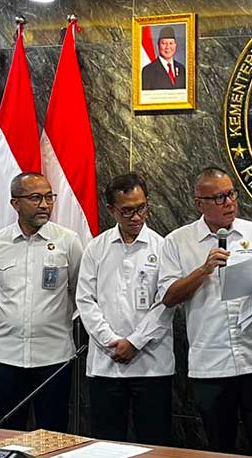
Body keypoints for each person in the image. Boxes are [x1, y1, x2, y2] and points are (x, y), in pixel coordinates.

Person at [158, 166, 252, 458]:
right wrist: (203, 270)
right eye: (218, 198)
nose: (228, 202)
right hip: (211, 361)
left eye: (231, 194)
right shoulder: (177, 242)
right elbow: (168, 297)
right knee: (219, 446)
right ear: (199, 203)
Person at [0, 172, 82, 432]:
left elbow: (78, 291)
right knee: (8, 433)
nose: (45, 204)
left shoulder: (67, 241)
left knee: (53, 433)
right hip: (6, 356)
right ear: (15, 203)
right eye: (36, 198)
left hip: (54, 357)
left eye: (49, 197)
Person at [77, 173, 174, 445]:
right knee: (107, 444)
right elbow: (85, 300)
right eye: (127, 211)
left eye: (142, 208)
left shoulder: (164, 247)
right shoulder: (96, 248)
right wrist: (111, 341)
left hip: (152, 365)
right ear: (111, 210)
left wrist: (135, 341)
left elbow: (166, 304)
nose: (136, 217)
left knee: (155, 443)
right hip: (107, 365)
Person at [141, 26, 186, 90]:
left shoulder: (182, 69)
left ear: (175, 45)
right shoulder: (148, 70)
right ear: (158, 46)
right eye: (164, 43)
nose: (168, 47)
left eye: (171, 43)